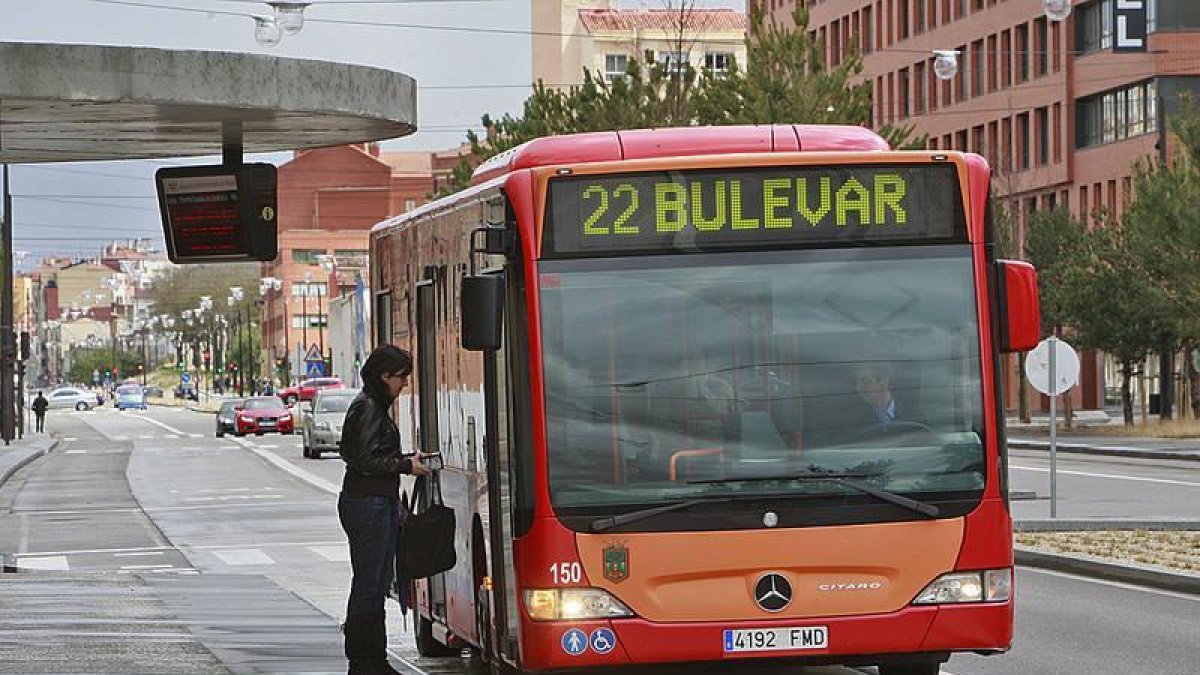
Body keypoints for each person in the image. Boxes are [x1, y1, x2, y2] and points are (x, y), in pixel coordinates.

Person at [337, 345, 430, 675]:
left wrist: (405, 459)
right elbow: (362, 459)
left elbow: (363, 454)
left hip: (370, 502)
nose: (404, 383)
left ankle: (372, 658)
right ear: (383, 376)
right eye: (401, 377)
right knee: (370, 584)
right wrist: (405, 465)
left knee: (374, 582)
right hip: (369, 504)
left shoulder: (369, 405)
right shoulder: (369, 408)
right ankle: (365, 660)